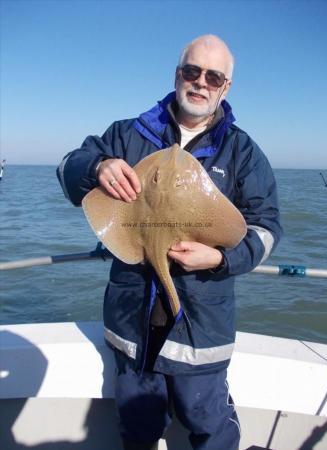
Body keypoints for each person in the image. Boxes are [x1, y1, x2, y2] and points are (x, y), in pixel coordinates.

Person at [57, 35, 282, 450]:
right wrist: (98, 166)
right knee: (139, 428)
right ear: (177, 74)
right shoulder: (127, 135)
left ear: (225, 87)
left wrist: (218, 257)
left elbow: (266, 229)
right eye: (191, 71)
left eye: (213, 77)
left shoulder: (241, 152)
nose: (200, 82)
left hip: (202, 327)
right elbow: (68, 168)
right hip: (133, 325)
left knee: (210, 427)